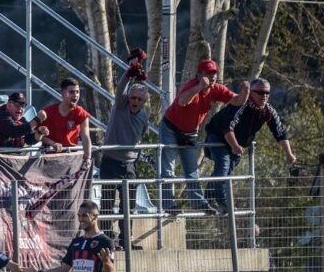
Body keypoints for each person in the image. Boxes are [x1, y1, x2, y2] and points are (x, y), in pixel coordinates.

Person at [159, 58, 249, 213]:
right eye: (208, 72)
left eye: (214, 73)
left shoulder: (216, 89)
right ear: (199, 74)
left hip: (189, 133)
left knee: (192, 169)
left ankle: (198, 203)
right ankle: (168, 205)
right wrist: (199, 87)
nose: (212, 76)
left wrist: (245, 92)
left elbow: (237, 101)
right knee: (168, 168)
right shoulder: (191, 86)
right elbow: (181, 101)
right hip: (170, 128)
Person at [204, 78, 296, 213]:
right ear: (251, 93)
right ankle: (222, 201)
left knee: (227, 168)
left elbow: (280, 132)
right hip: (218, 137)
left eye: (267, 93)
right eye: (260, 92)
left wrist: (289, 153)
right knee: (223, 165)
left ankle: (209, 196)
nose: (264, 96)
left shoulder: (268, 110)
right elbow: (227, 128)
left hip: (237, 143)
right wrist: (235, 146)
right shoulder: (241, 104)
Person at [100, 60, 149, 250]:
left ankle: (125, 241)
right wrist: (129, 73)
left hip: (129, 165)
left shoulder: (143, 116)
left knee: (128, 207)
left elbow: (142, 133)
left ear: (143, 102)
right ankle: (106, 241)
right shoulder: (120, 106)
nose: (135, 101)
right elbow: (121, 89)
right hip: (110, 161)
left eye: (139, 99)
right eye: (133, 98)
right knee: (107, 202)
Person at [40, 78, 92, 166]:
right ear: (63, 93)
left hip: (71, 157)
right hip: (50, 157)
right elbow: (37, 135)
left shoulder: (81, 113)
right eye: (71, 92)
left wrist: (88, 158)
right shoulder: (47, 112)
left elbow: (86, 137)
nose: (75, 95)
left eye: (77, 92)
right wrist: (52, 143)